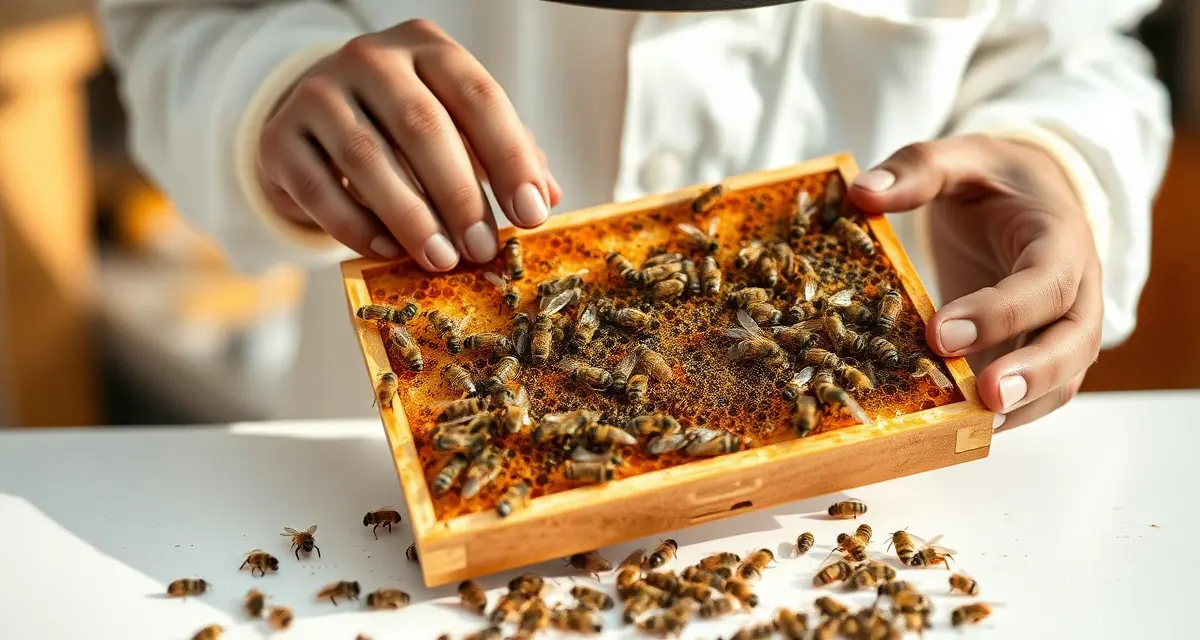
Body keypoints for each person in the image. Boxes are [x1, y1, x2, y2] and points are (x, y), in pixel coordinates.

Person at [97, 0, 1172, 430]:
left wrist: (1056, 160)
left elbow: (1076, 46)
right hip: (395, 525)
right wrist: (272, 90)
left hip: (862, 521)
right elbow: (180, 19)